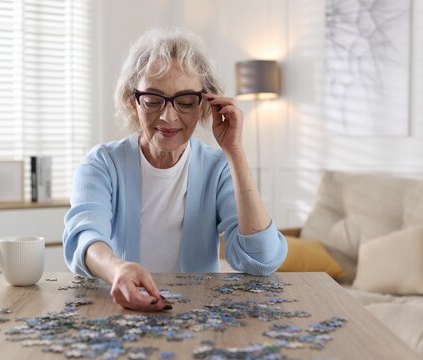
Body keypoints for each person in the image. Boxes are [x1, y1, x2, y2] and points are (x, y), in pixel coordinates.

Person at [63, 28, 287, 312]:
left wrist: (235, 152)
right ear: (133, 100)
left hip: (196, 313)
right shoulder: (101, 164)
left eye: (184, 101)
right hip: (117, 311)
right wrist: (117, 270)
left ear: (205, 104)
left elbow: (261, 260)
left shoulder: (218, 168)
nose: (168, 117)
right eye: (153, 99)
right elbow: (85, 237)